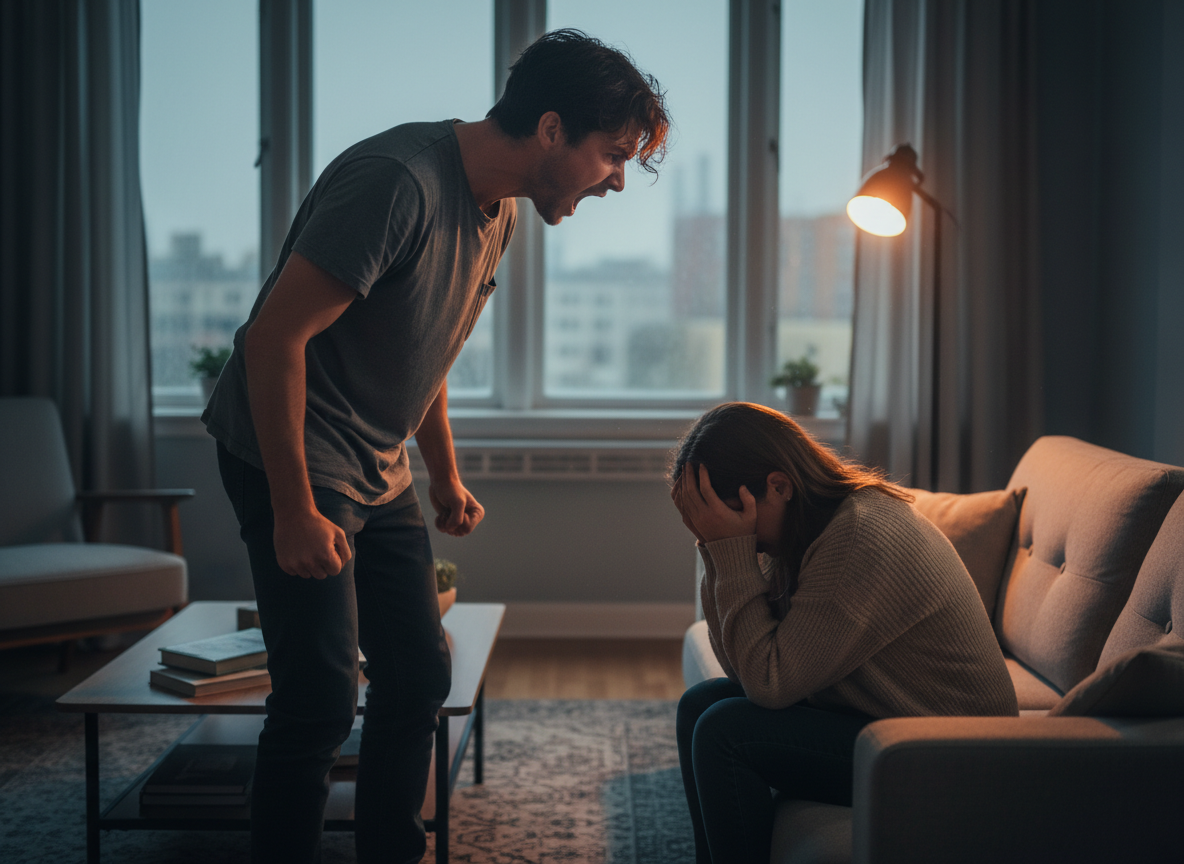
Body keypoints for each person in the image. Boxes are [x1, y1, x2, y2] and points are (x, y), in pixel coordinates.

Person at [202, 29, 669, 864]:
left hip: (375, 464)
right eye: (614, 155)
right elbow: (272, 339)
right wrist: (293, 510)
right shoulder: (399, 182)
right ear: (553, 129)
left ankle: (391, 851)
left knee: (417, 676)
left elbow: (428, 348)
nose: (618, 181)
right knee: (316, 700)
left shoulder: (501, 217)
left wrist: (445, 475)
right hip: (294, 449)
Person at [669, 402, 1017, 864]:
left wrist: (729, 551)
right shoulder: (802, 529)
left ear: (779, 486)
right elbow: (741, 671)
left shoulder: (858, 536)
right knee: (701, 704)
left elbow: (770, 685)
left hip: (951, 755)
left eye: (736, 517)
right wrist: (717, 551)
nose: (740, 535)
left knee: (724, 732)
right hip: (889, 726)